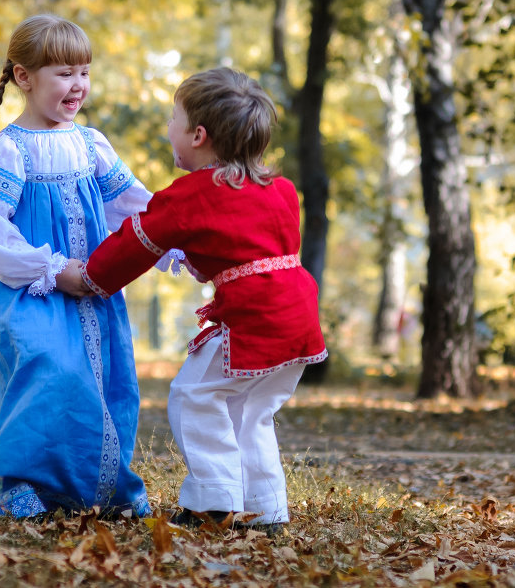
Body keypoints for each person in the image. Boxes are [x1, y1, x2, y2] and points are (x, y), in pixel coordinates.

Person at [57, 67, 326, 535]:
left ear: (198, 135)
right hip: (298, 319)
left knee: (193, 396)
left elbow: (134, 243)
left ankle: (215, 502)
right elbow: (252, 245)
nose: (169, 130)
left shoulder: (189, 196)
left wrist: (92, 277)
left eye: (172, 120)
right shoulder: (280, 189)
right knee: (252, 413)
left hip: (253, 319)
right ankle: (265, 509)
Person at [0, 14, 172, 519]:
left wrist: (177, 239)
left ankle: (100, 487)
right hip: (30, 291)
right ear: (25, 78)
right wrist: (47, 268)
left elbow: (132, 204)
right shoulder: (10, 149)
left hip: (93, 291)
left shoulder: (91, 144)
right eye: (65, 73)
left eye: (85, 72)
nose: (79, 85)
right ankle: (15, 482)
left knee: (102, 379)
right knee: (48, 371)